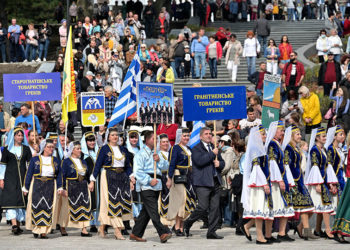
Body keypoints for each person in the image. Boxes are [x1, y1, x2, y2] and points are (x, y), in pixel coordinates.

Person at [90, 128, 133, 239]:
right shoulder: (104, 149)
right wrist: (92, 180)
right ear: (108, 137)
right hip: (108, 176)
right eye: (113, 135)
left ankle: (102, 226)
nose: (115, 137)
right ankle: (117, 231)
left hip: (122, 177)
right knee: (112, 202)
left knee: (120, 202)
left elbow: (128, 166)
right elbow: (97, 165)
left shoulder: (123, 149)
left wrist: (131, 177)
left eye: (116, 135)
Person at [130, 130, 172, 243]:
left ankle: (136, 233)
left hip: (157, 183)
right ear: (147, 140)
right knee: (153, 210)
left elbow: (166, 166)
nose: (156, 141)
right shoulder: (140, 154)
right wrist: (148, 181)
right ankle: (162, 232)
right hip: (146, 185)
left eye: (157, 139)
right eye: (154, 139)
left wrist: (159, 161)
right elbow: (137, 171)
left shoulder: (157, 152)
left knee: (146, 211)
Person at [183, 127, 225, 239]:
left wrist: (219, 164)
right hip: (203, 182)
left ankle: (211, 231)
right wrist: (212, 154)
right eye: (206, 134)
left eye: (210, 134)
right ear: (201, 136)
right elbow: (200, 161)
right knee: (202, 207)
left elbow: (222, 163)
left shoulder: (214, 147)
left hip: (215, 181)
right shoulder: (196, 148)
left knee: (215, 208)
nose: (209, 135)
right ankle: (188, 223)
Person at [283, 125, 317, 240]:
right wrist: (290, 181)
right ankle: (306, 231)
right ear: (291, 136)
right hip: (294, 181)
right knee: (304, 206)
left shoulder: (296, 148)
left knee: (309, 206)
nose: (300, 136)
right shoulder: (288, 148)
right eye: (297, 134)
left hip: (300, 180)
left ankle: (300, 226)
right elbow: (286, 165)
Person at [23, 139, 62, 239]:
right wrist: (25, 187)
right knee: (36, 206)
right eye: (49, 147)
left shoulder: (56, 160)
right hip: (37, 184)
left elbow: (59, 175)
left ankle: (44, 231)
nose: (51, 149)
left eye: (53, 147)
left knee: (48, 207)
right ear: (44, 147)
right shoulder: (35, 159)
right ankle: (36, 228)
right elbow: (29, 174)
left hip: (50, 185)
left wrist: (60, 186)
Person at [241, 125, 273, 244]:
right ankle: (259, 236)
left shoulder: (261, 148)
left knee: (262, 209)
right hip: (258, 183)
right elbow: (256, 168)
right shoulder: (255, 148)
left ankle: (247, 226)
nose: (265, 136)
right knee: (259, 210)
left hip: (263, 182)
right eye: (263, 134)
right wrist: (264, 183)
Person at [304, 127, 338, 239]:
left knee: (320, 207)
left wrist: (331, 183)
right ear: (317, 138)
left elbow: (327, 167)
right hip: (317, 181)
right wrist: (318, 183)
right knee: (324, 206)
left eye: (325, 136)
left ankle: (317, 229)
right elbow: (315, 166)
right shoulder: (314, 150)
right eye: (323, 136)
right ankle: (328, 230)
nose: (325, 138)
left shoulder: (322, 149)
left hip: (323, 180)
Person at [266, 121, 295, 241]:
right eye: (281, 130)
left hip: (282, 178)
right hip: (276, 180)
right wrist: (280, 180)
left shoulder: (278, 144)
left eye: (283, 131)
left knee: (285, 205)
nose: (283, 133)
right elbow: (272, 163)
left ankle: (282, 233)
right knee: (276, 206)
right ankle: (269, 234)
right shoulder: (272, 144)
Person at [0, 127, 32, 235]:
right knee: (11, 200)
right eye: (18, 135)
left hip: (23, 178)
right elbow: (3, 165)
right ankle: (14, 224)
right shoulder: (7, 149)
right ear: (13, 136)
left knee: (21, 201)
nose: (20, 137)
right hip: (10, 178)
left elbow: (30, 164)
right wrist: (1, 179)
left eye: (21, 135)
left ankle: (17, 225)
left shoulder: (26, 149)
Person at [167, 128, 196, 236]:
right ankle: (177, 226)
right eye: (184, 136)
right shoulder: (175, 148)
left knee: (188, 201)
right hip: (179, 175)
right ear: (179, 136)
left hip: (189, 176)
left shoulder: (189, 148)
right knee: (181, 201)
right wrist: (169, 178)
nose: (186, 138)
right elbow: (172, 164)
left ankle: (181, 227)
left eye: (188, 136)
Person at [61, 141, 93, 237]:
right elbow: (62, 175)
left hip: (83, 186)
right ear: (72, 150)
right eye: (77, 149)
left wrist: (90, 183)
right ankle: (62, 227)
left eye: (80, 148)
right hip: (71, 185)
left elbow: (87, 174)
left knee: (85, 206)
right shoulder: (66, 162)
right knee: (67, 208)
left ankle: (84, 229)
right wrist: (63, 188)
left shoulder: (83, 161)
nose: (80, 150)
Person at [80, 132, 100, 233]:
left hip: (99, 180)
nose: (92, 142)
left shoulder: (98, 151)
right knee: (91, 200)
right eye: (89, 140)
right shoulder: (82, 154)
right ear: (85, 142)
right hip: (88, 181)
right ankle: (91, 223)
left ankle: (100, 222)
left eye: (93, 140)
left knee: (99, 200)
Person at [326, 125, 346, 217]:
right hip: (335, 178)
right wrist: (331, 182)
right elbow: (329, 166)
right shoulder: (331, 149)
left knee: (341, 204)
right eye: (340, 134)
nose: (342, 136)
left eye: (343, 134)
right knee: (335, 205)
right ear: (334, 136)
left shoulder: (340, 148)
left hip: (341, 177)